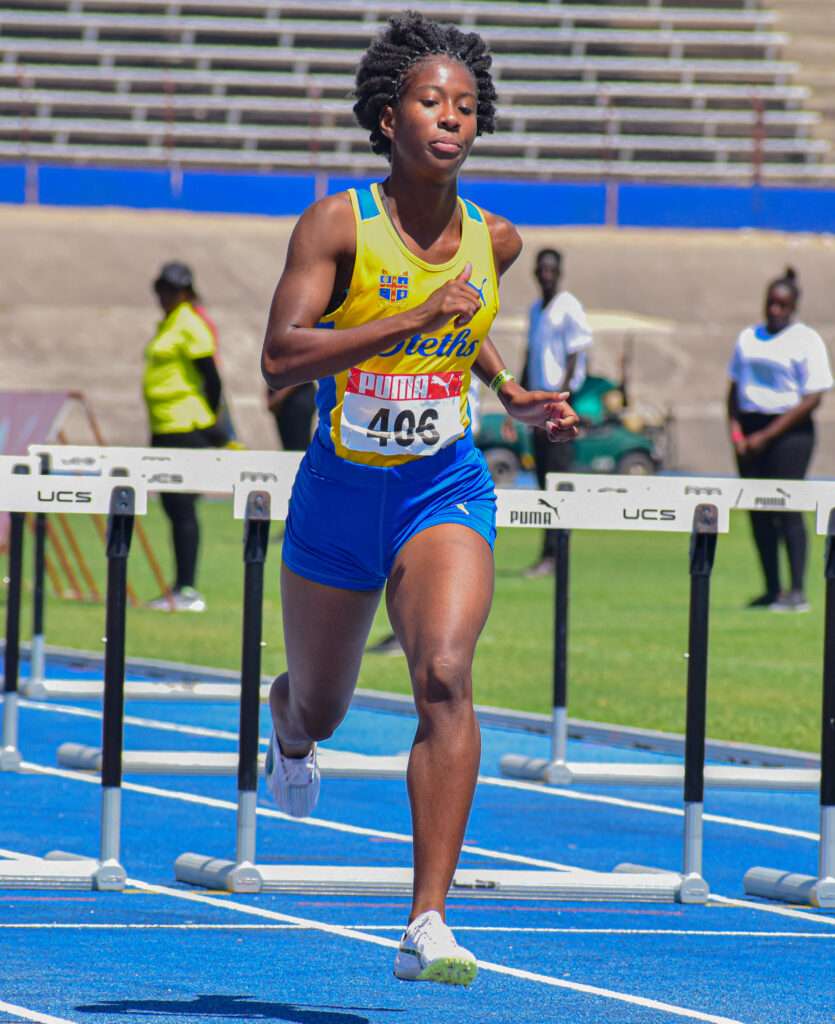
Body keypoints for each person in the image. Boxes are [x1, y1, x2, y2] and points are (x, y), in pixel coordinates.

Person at [259, 12, 577, 986]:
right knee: (324, 703)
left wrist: (507, 387)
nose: (450, 117)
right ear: (388, 116)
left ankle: (426, 918)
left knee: (443, 671)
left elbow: (467, 311)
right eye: (431, 100)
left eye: (466, 106)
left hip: (442, 485)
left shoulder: (497, 238)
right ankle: (287, 720)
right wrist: (407, 318)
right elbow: (279, 359)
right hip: (338, 494)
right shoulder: (334, 224)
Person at [727, 266, 833, 612]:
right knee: (758, 513)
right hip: (750, 432)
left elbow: (814, 396)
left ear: (793, 306)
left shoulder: (806, 340)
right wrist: (738, 434)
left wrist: (767, 436)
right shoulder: (748, 338)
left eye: (781, 305)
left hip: (789, 433)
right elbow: (732, 390)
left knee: (787, 509)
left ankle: (797, 590)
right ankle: (771, 588)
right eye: (770, 303)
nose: (774, 310)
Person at [143, 260, 228, 612]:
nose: (164, 296)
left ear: (186, 292)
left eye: (172, 290)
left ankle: (187, 589)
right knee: (172, 506)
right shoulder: (169, 324)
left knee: (182, 507)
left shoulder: (190, 323)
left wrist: (208, 420)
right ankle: (179, 586)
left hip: (186, 428)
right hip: (165, 427)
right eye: (161, 289)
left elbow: (212, 378)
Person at [522, 248, 592, 577]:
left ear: (559, 272)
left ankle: (558, 553)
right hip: (537, 410)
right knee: (542, 482)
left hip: (559, 409)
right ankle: (547, 552)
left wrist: (558, 402)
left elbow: (576, 356)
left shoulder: (569, 307)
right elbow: (529, 357)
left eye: (552, 270)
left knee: (558, 481)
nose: (546, 275)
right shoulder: (536, 310)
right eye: (542, 269)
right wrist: (522, 403)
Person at [266, 382, 317, 451]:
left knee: (298, 448)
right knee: (290, 448)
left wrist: (278, 397)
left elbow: (302, 374)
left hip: (296, 398)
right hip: (286, 398)